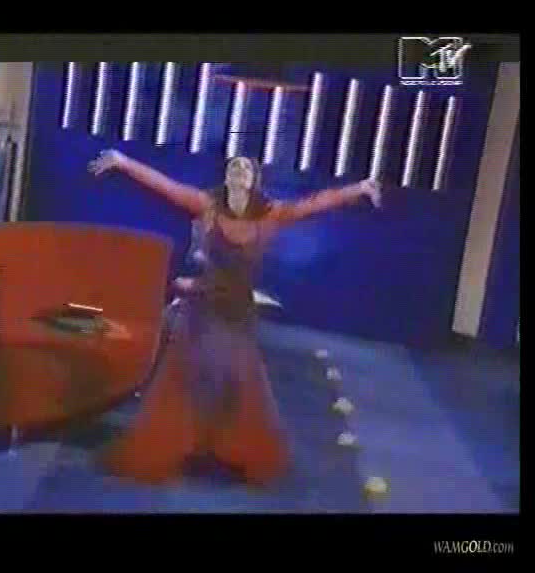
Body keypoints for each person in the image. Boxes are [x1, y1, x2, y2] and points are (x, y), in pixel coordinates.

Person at [88, 150, 382, 486]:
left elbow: (314, 204)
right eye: (233, 166)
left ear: (255, 179)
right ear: (226, 177)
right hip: (204, 306)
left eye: (245, 167)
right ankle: (179, 442)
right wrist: (125, 162)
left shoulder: (271, 214)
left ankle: (226, 446)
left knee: (238, 379)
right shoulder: (208, 206)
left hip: (237, 310)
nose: (239, 170)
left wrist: (358, 188)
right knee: (189, 376)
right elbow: (165, 186)